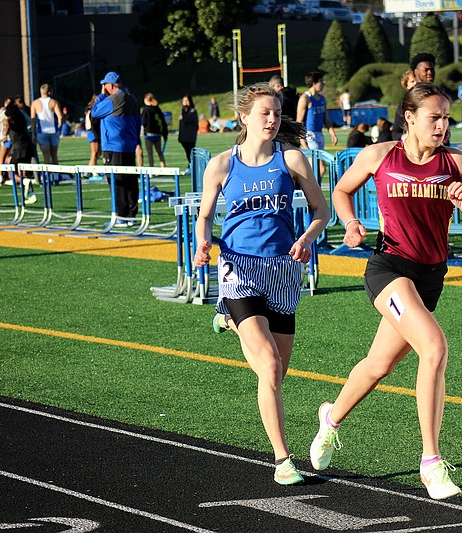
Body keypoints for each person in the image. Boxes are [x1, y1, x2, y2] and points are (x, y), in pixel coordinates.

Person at [308, 83, 462, 500]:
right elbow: (341, 190)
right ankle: (431, 462)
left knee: (378, 365)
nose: (443, 125)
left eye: (447, 117)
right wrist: (351, 222)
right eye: (435, 117)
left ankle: (330, 419)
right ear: (410, 118)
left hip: (430, 277)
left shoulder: (457, 162)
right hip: (390, 268)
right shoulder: (380, 155)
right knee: (434, 347)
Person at [193, 82, 329, 486]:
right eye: (265, 113)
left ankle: (231, 321)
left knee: (277, 374)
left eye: (277, 113)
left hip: (283, 272)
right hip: (239, 269)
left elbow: (322, 211)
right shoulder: (221, 164)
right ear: (244, 118)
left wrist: (306, 238)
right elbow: (204, 216)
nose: (272, 120)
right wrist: (203, 243)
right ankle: (283, 459)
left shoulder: (292, 161)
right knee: (268, 367)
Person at [90, 71, 143, 227]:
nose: (104, 87)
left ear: (111, 85)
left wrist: (101, 96)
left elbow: (95, 112)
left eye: (105, 84)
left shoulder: (113, 100)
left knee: (117, 182)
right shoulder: (132, 99)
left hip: (113, 147)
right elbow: (138, 123)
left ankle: (122, 216)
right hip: (129, 146)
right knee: (131, 181)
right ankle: (131, 215)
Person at [296, 71, 337, 180]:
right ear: (314, 83)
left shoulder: (322, 99)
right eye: (321, 81)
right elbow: (299, 121)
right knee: (319, 167)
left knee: (317, 168)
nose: (323, 83)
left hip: (319, 134)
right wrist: (302, 140)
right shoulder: (305, 98)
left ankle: (311, 191)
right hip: (309, 135)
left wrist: (332, 133)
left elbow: (326, 119)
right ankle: (312, 191)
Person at [392, 54, 436, 140]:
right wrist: (407, 138)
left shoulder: (439, 95)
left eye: (432, 69)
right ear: (416, 72)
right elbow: (396, 133)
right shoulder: (409, 99)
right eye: (426, 70)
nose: (429, 73)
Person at [4, 102, 37, 204]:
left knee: (11, 172)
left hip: (18, 148)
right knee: (24, 171)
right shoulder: (21, 119)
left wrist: (5, 128)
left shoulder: (10, 122)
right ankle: (30, 194)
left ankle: (24, 183)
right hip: (27, 146)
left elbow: (5, 133)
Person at [30, 84, 64, 166]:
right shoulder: (53, 102)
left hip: (42, 132)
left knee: (46, 157)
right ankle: (56, 175)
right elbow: (60, 117)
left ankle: (48, 176)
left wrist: (33, 134)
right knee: (54, 156)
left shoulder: (35, 103)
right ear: (49, 92)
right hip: (53, 131)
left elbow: (33, 119)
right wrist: (59, 128)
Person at [141, 92, 168, 167]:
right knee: (159, 152)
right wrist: (165, 133)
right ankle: (163, 168)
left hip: (149, 135)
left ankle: (151, 170)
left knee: (150, 154)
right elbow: (163, 121)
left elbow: (143, 121)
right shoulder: (157, 109)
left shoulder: (146, 110)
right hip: (157, 134)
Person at [0, 97, 12, 185]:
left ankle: (0, 177)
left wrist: (0, 112)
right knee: (7, 157)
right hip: (13, 138)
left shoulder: (5, 112)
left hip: (6, 138)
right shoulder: (15, 111)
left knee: (1, 158)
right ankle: (7, 175)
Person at [179, 94, 198, 163]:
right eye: (184, 101)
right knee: (187, 152)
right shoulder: (183, 111)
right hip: (184, 136)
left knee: (190, 151)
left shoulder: (192, 111)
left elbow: (189, 121)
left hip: (190, 136)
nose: (185, 102)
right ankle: (190, 164)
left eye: (187, 101)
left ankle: (192, 165)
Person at [84, 94, 102, 168]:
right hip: (92, 131)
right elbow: (93, 123)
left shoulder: (95, 109)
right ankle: (91, 170)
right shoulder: (92, 109)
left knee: (98, 153)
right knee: (95, 152)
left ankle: (92, 167)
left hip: (96, 131)